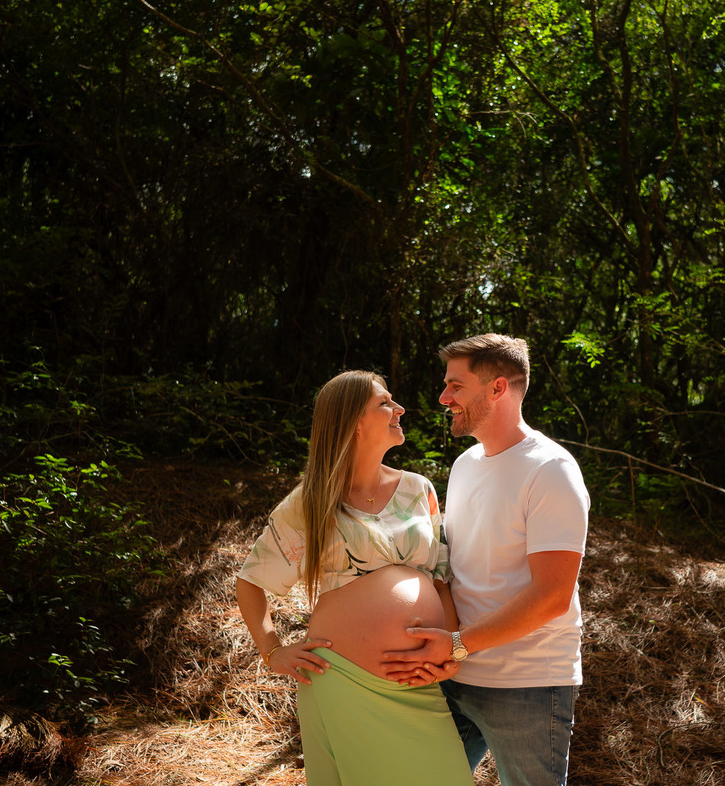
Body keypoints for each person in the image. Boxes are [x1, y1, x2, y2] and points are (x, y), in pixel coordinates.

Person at [235, 370, 472, 786]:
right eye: (385, 403)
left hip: (417, 680)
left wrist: (450, 651)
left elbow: (440, 579)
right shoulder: (310, 502)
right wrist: (272, 652)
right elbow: (251, 581)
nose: (399, 409)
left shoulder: (419, 490)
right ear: (351, 422)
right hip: (340, 679)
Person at [381, 334, 590, 786]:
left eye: (455, 386)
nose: (443, 397)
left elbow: (552, 596)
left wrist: (458, 643)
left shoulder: (550, 470)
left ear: (497, 388)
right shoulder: (466, 465)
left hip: (527, 686)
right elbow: (456, 571)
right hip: (455, 675)